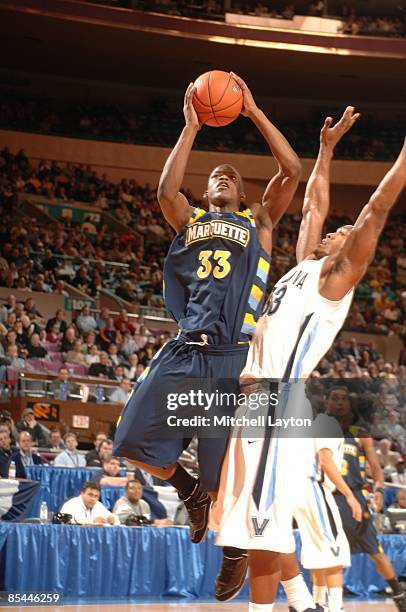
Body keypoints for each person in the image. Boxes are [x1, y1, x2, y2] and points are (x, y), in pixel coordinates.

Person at [213, 113, 406, 611]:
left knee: (259, 527)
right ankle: (303, 604)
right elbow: (315, 203)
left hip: (275, 402)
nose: (338, 228)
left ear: (351, 258)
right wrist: (325, 148)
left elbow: (376, 207)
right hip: (259, 403)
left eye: (346, 233)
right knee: (265, 526)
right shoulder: (304, 269)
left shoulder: (335, 282)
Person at [113, 73, 301, 545]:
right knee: (129, 444)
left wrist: (253, 111)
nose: (222, 175)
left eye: (232, 177)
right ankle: (187, 491)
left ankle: (225, 534)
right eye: (215, 175)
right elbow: (164, 193)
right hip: (185, 350)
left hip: (230, 358)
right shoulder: (190, 219)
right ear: (207, 192)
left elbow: (292, 171)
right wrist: (191, 127)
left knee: (221, 484)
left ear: (241, 195)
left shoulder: (257, 221)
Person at [326, 386, 406, 612]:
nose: (339, 403)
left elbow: (376, 469)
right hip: (327, 496)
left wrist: (379, 490)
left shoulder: (360, 433)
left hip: (356, 497)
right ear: (327, 403)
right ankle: (330, 601)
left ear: (350, 406)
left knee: (374, 549)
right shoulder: (319, 429)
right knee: (331, 551)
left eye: (343, 399)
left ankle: (398, 594)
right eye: (335, 398)